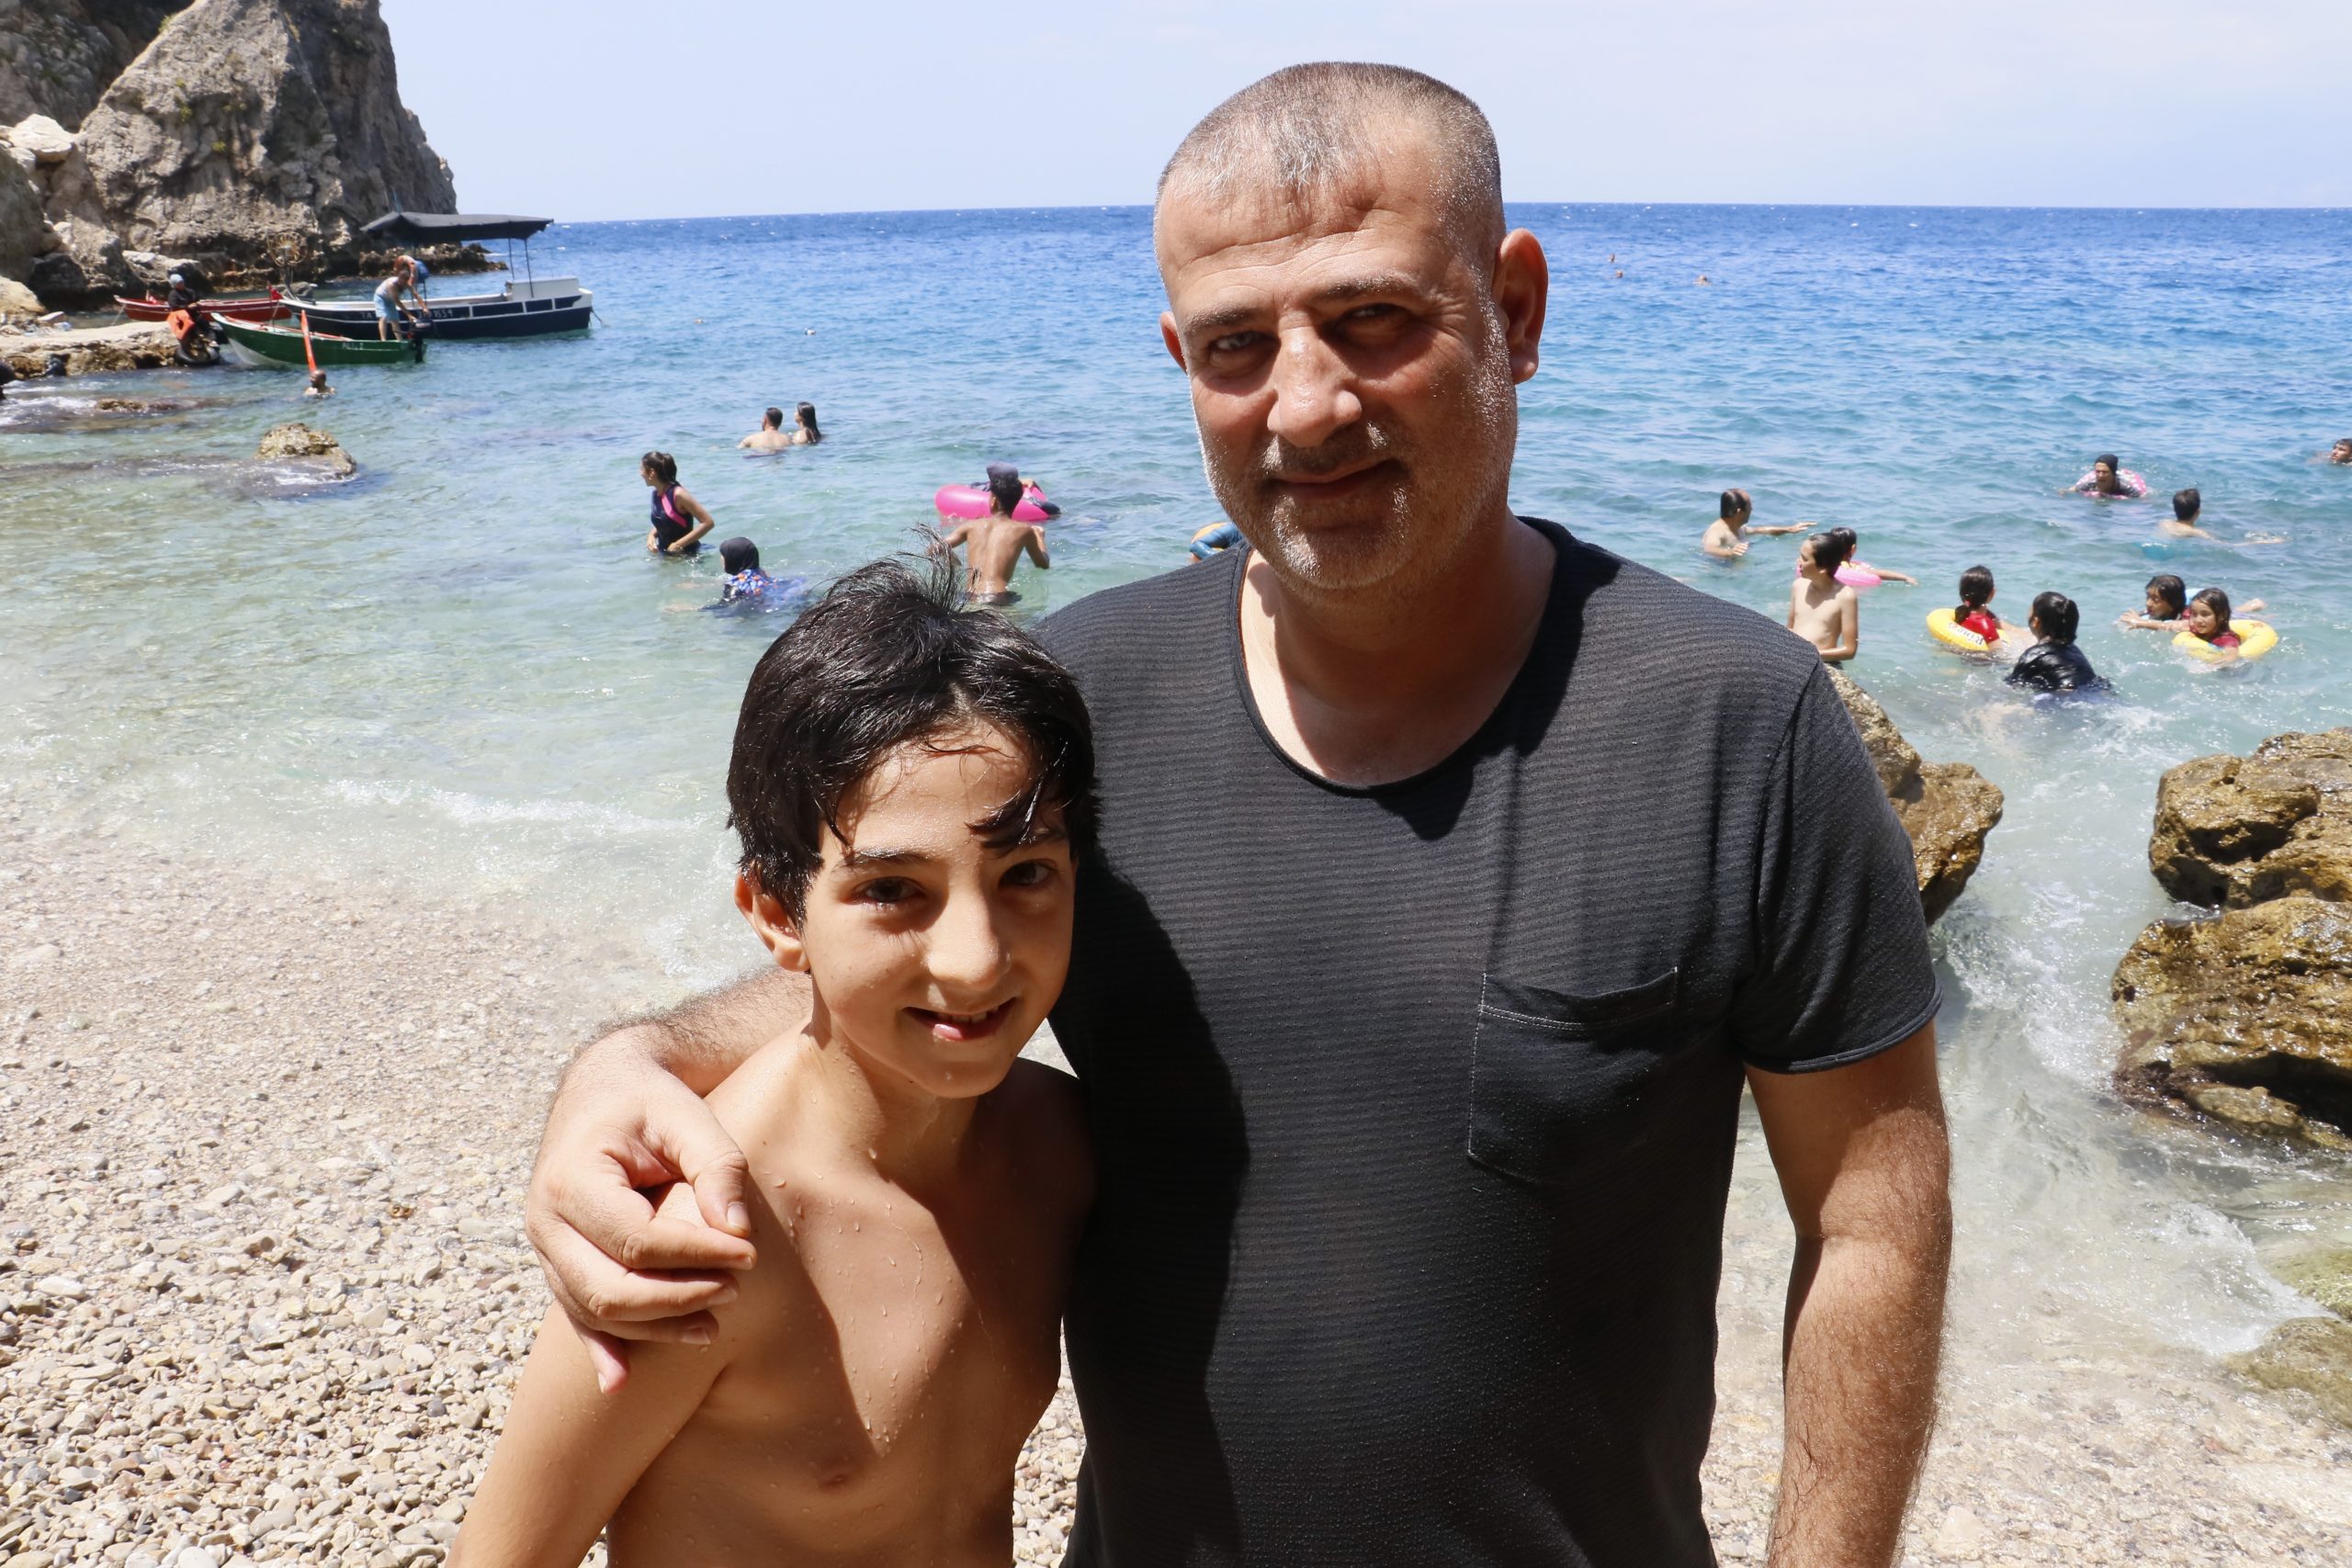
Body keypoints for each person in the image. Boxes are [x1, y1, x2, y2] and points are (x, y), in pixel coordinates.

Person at [526, 63, 1950, 1568]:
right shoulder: (1081, 703)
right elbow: (912, 964)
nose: (1309, 405)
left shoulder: (1736, 721)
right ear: (1180, 359)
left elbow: (1873, 1217)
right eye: (1237, 346)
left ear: (1517, 309)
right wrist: (631, 1063)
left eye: (1374, 318)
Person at [454, 557, 1096, 1567]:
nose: (974, 960)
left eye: (1025, 873)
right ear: (775, 913)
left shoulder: (1060, 1152)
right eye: (892, 890)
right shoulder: (707, 1233)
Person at [941, 462, 1050, 605]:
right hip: (997, 597)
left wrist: (955, 563)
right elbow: (1043, 564)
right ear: (1017, 502)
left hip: (968, 596)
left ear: (993, 501)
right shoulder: (1024, 530)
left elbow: (935, 548)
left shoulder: (971, 525)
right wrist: (1040, 537)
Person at [2005, 592, 2107, 693]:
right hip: (2092, 692)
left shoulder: (2034, 654)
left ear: (2036, 622)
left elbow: (2013, 686)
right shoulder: (2075, 651)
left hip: (2059, 697)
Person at [1788, 528, 1861, 662]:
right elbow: (1789, 629)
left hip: (1823, 663)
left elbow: (1850, 650)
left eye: (1804, 558)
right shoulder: (1798, 586)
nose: (1798, 561)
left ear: (1823, 567)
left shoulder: (1845, 596)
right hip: (1794, 658)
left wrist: (1810, 655)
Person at [2119, 572, 2264, 632]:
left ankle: (2253, 607)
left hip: (2232, 621)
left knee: (2234, 615)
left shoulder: (2189, 614)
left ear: (2172, 603)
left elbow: (2182, 626)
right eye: (2148, 597)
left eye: (2156, 599)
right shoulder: (2152, 610)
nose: (2149, 603)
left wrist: (2141, 623)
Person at [639, 451, 715, 557]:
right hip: (667, 556)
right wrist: (651, 535)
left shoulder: (678, 494)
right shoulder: (655, 494)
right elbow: (666, 522)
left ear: (652, 472)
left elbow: (708, 523)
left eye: (642, 469)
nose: (640, 473)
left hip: (689, 556)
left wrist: (678, 545)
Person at [1700, 488, 1804, 558]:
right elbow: (1710, 549)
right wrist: (1730, 552)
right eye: (1750, 507)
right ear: (1739, 512)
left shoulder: (1738, 528)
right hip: (1718, 571)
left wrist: (1789, 529)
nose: (1752, 509)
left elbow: (1761, 530)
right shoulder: (1717, 531)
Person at [374, 258, 426, 343]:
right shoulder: (392, 284)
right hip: (381, 297)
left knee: (395, 320)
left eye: (406, 282)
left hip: (390, 300)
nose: (404, 285)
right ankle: (383, 340)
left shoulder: (407, 284)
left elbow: (416, 295)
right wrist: (409, 315)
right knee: (384, 317)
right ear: (400, 279)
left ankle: (400, 341)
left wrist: (424, 308)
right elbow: (397, 301)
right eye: (403, 282)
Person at [2181, 587, 2244, 654]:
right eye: (2194, 614)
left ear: (2222, 615)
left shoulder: (2226, 640)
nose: (2198, 620)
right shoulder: (2193, 628)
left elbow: (2231, 655)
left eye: (2205, 614)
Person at [1952, 564, 2004, 644]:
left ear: (1961, 594)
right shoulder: (1984, 623)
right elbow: (1998, 650)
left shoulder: (1960, 613)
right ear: (1992, 593)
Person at [2070, 453, 2146, 498]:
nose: (2100, 475)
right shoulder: (2091, 484)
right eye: (2098, 471)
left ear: (2113, 473)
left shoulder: (2125, 488)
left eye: (2105, 472)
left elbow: (2141, 498)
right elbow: (2073, 489)